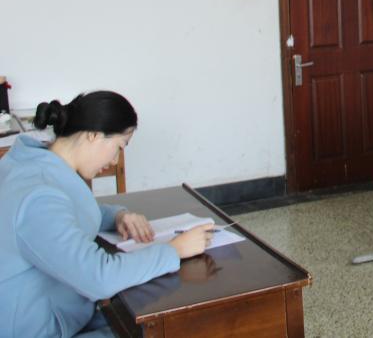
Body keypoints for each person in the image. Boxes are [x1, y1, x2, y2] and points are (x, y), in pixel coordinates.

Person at [0, 91, 213, 338]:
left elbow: (66, 214)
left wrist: (118, 216)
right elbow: (99, 278)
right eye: (119, 147)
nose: (115, 161)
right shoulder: (38, 196)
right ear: (94, 135)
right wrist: (173, 250)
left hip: (55, 309)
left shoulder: (32, 163)